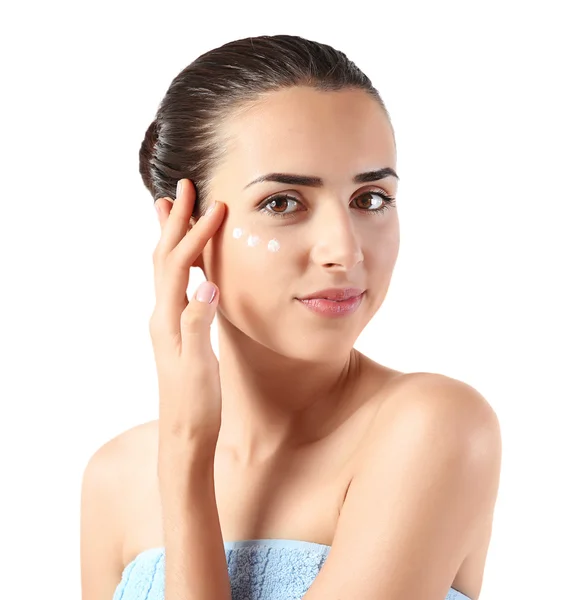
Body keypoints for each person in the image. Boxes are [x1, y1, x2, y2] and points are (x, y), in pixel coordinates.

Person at [80, 34, 501, 600]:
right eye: (283, 202)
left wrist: (183, 462)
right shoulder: (115, 478)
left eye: (371, 198)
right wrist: (184, 446)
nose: (344, 251)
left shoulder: (434, 428)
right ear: (184, 230)